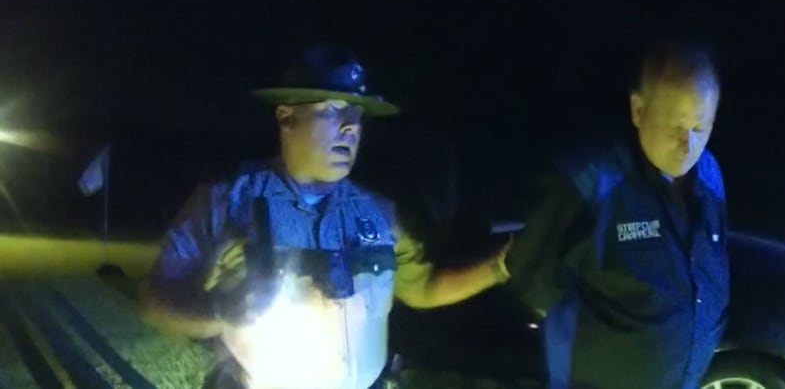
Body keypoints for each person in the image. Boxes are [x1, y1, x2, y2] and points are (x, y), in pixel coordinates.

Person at [139, 44, 510, 389]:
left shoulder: (381, 212)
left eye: (357, 114)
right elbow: (157, 300)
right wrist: (220, 309)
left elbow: (422, 288)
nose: (351, 127)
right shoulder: (226, 200)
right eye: (333, 110)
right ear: (287, 118)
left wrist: (499, 266)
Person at [505, 41, 728, 389]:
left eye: (701, 127)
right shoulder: (589, 180)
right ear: (639, 110)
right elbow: (533, 280)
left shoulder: (710, 174)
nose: (689, 146)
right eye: (675, 125)